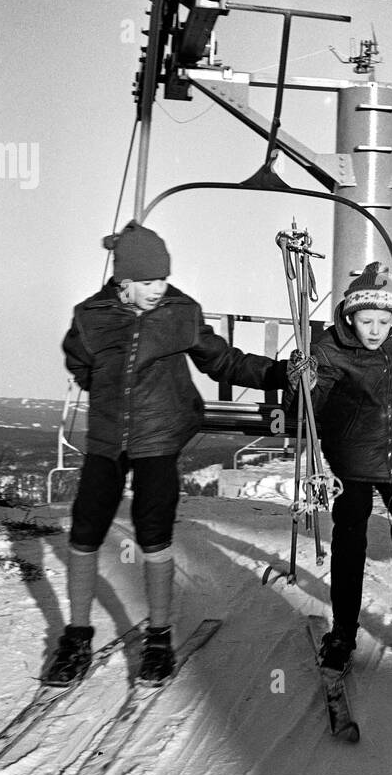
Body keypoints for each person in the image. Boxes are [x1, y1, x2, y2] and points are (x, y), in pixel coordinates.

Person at [51, 220, 306, 687]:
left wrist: (281, 373)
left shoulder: (180, 313)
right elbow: (81, 365)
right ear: (123, 282)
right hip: (106, 441)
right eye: (148, 282)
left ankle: (159, 636)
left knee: (154, 533)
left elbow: (222, 360)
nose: (158, 289)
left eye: (163, 279)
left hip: (160, 439)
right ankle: (77, 635)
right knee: (85, 532)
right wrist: (112, 397)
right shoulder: (90, 316)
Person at [303, 262, 392, 674]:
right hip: (352, 459)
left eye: (384, 320)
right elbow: (309, 410)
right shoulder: (329, 351)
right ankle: (344, 629)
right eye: (366, 320)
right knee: (350, 538)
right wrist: (304, 383)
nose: (374, 330)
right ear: (350, 317)